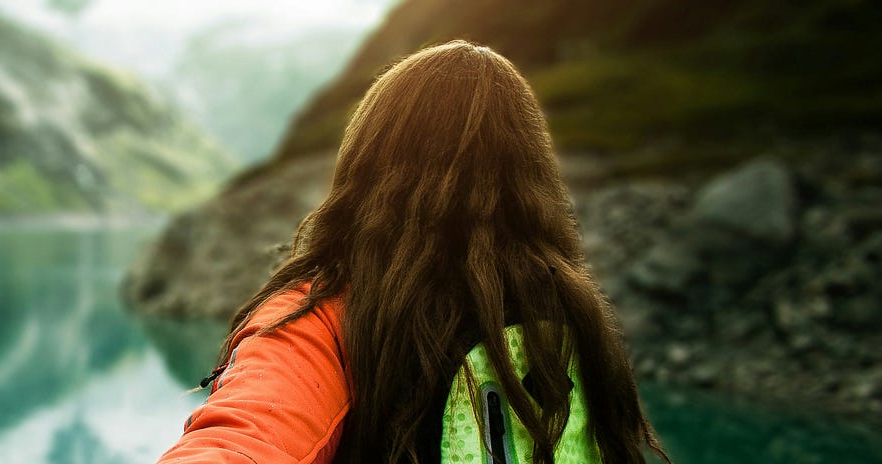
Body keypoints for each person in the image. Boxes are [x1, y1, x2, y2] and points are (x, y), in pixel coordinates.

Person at [157, 40, 670, 464]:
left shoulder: (328, 320)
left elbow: (245, 439)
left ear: (366, 167)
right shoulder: (575, 318)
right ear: (532, 177)